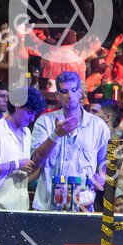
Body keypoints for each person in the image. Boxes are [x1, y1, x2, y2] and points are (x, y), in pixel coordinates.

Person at [30, 71, 109, 211]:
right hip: (47, 207)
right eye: (64, 91)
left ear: (80, 93)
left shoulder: (98, 126)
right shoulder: (45, 122)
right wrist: (55, 135)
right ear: (57, 95)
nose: (70, 95)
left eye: (74, 90)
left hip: (83, 207)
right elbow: (36, 160)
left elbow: (106, 163)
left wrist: (102, 177)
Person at [0, 89, 45, 211]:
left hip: (21, 209)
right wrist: (16, 164)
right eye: (29, 113)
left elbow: (23, 175)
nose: (32, 118)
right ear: (17, 106)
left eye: (34, 114)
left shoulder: (27, 133)